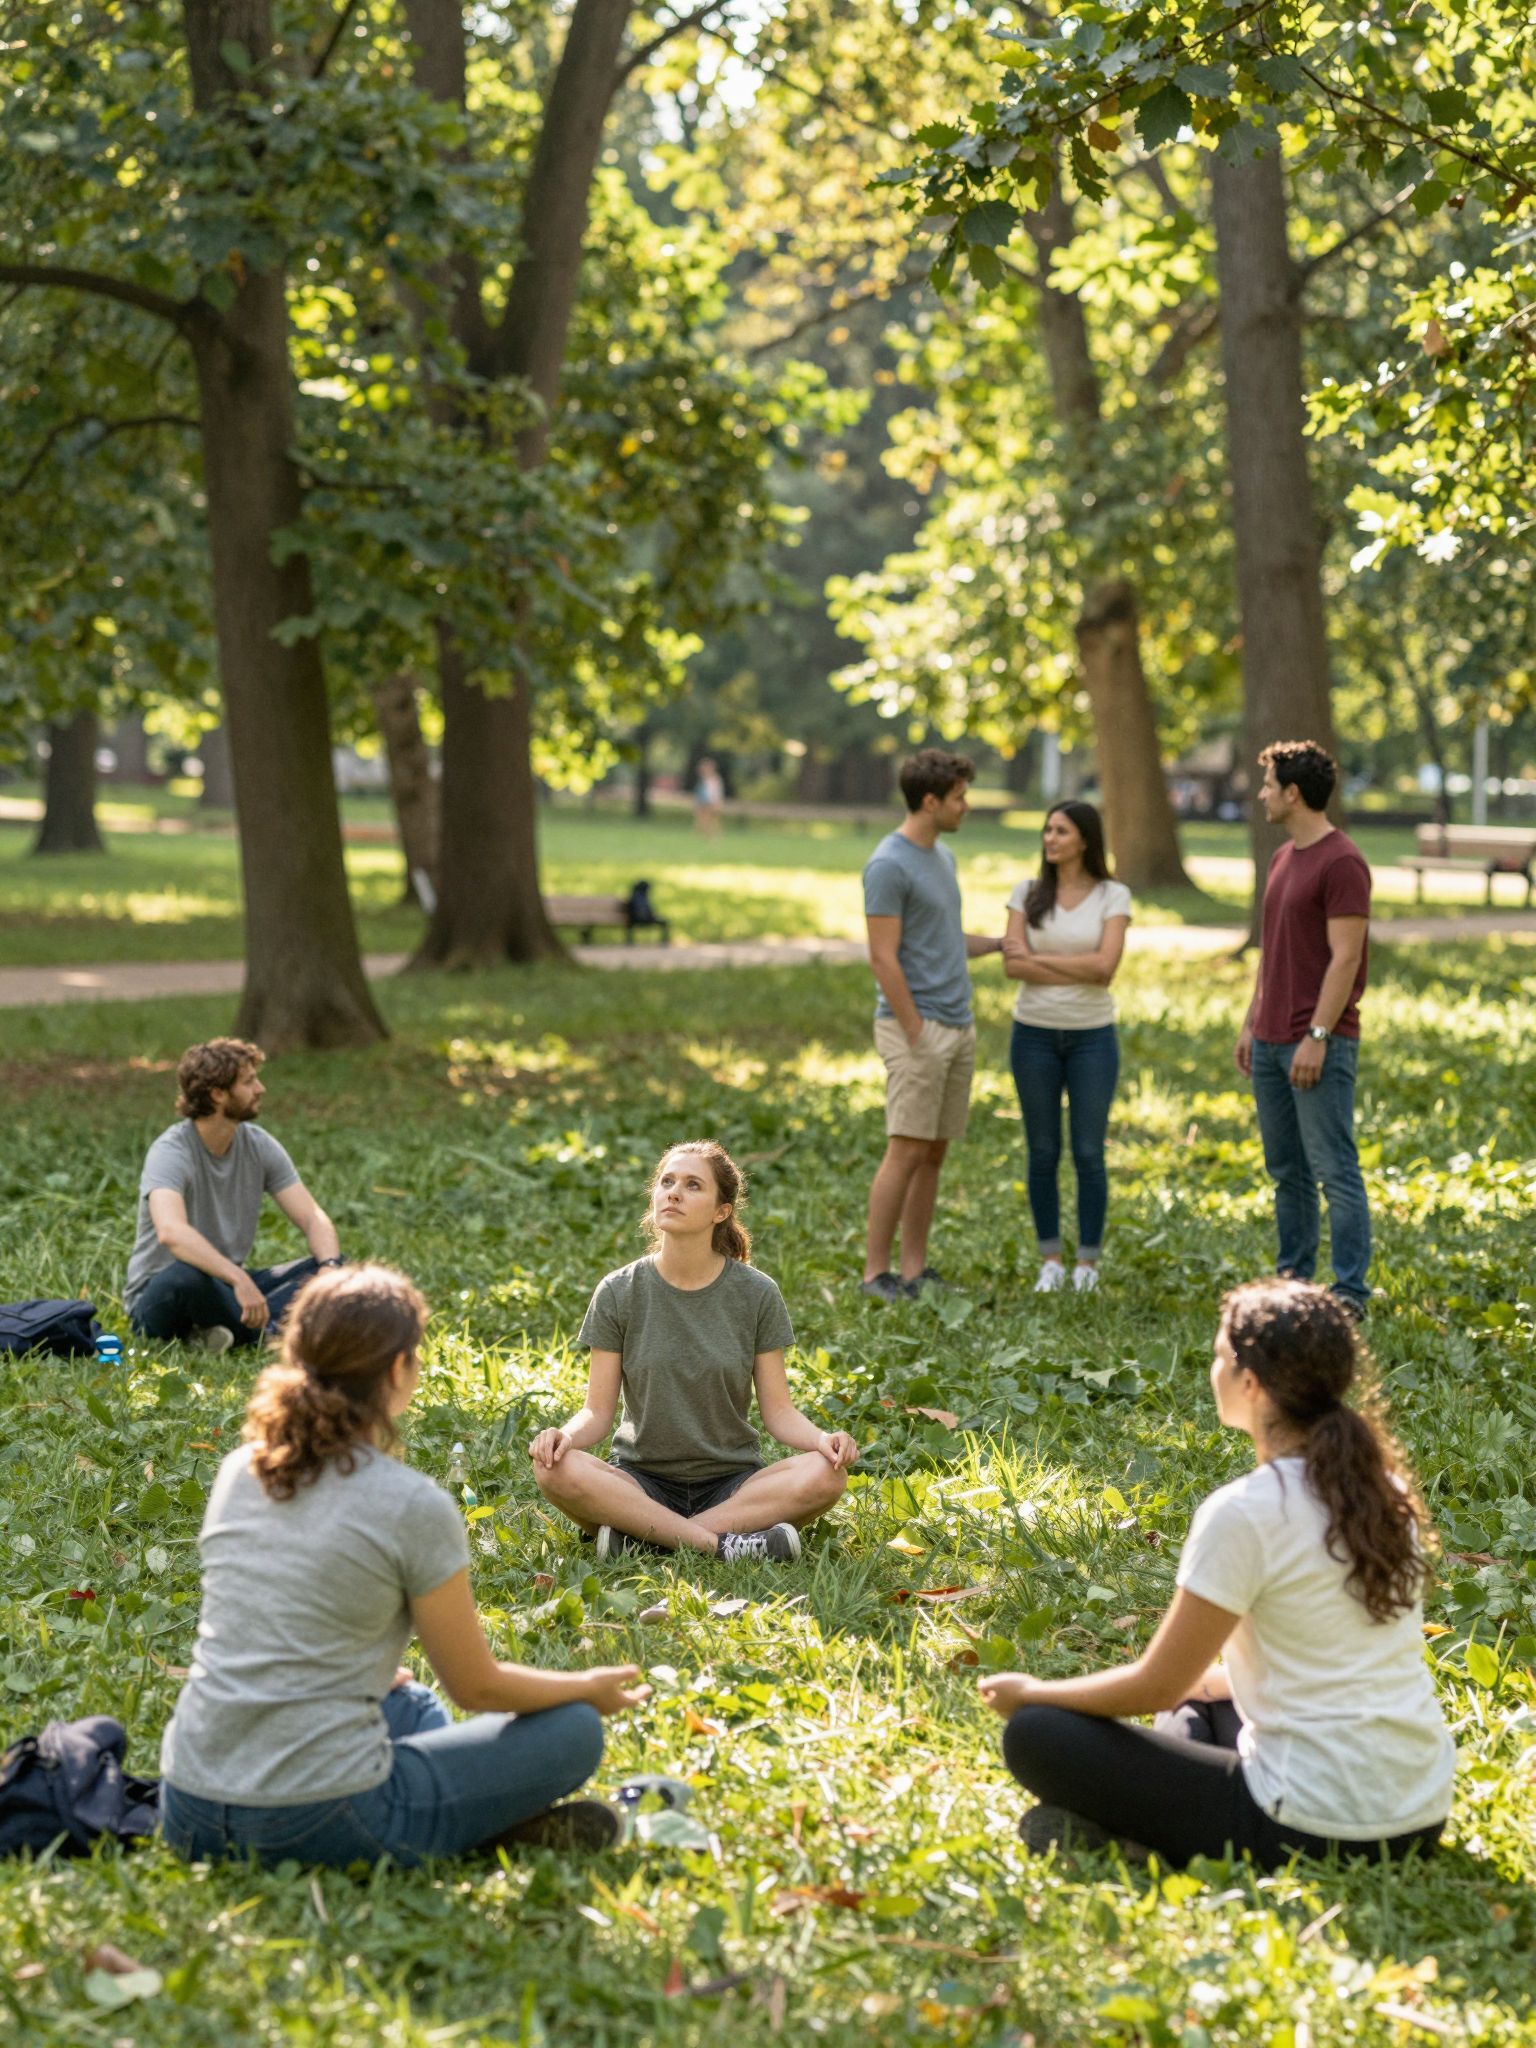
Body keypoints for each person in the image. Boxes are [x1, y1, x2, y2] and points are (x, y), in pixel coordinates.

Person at [160, 1265, 648, 1868]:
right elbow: (477, 1686)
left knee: (411, 1707)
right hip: (316, 1817)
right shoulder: (412, 1505)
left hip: (186, 1806)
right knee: (573, 1728)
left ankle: (460, 1822)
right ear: (398, 1370)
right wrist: (586, 1688)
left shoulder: (241, 1469)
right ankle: (461, 1832)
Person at [982, 1279, 1453, 1869]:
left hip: (1313, 1825)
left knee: (1037, 1733)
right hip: (1418, 1813)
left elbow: (1156, 1684)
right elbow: (1331, 1659)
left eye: (1217, 1357)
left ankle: (1134, 1839)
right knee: (1199, 1702)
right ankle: (1135, 1828)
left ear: (1250, 1382)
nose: (1211, 1370)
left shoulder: (1245, 1511)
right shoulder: (1385, 1490)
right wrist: (1209, 1685)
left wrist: (1031, 1693)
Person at [531, 1141, 857, 1561]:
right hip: (640, 1482)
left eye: (692, 1185)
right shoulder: (619, 1291)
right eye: (666, 1182)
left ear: (721, 1211)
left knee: (826, 1476)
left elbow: (779, 1413)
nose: (673, 1193)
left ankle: (645, 1539)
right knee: (555, 1469)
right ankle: (723, 1546)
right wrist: (563, 1436)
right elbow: (597, 1412)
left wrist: (823, 1439)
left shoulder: (757, 1294)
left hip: (732, 1486)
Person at [1235, 741, 1373, 1315]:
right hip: (1269, 1039)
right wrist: (1251, 1022)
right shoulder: (1283, 856)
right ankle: (1294, 1282)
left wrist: (1317, 1036)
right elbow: (1275, 952)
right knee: (1286, 1171)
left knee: (1333, 1168)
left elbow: (1345, 958)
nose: (1262, 794)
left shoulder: (1342, 862)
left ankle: (1348, 1293)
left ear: (1293, 793)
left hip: (1317, 1040)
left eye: (1268, 785)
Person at [861, 749, 1003, 1301]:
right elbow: (883, 957)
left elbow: (944, 939)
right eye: (960, 797)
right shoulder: (888, 865)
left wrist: (996, 944)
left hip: (957, 1025)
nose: (966, 806)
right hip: (916, 1030)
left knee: (933, 1152)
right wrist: (915, 1030)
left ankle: (915, 1269)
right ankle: (876, 1273)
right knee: (905, 1149)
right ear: (930, 801)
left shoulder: (942, 858)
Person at [125, 1038, 342, 1353]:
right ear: (217, 1094)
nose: (261, 1089)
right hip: (163, 1297)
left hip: (223, 1286)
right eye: (249, 1081)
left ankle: (220, 1334)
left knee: (338, 1269)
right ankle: (272, 1336)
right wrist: (239, 1279)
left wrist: (330, 1271)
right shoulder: (170, 1152)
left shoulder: (259, 1144)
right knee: (187, 1278)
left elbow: (312, 1217)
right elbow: (171, 1232)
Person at [1003, 802, 1132, 1294]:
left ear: (1085, 839)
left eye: (1062, 830)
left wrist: (1043, 959)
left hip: (1092, 1037)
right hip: (1032, 1034)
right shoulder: (1027, 893)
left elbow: (1106, 969)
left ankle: (1087, 1265)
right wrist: (1075, 962)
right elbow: (1014, 966)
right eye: (1047, 830)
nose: (1050, 838)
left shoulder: (1112, 895)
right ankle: (1051, 1259)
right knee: (1042, 1151)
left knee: (1087, 1151)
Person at [693, 756, 725, 835]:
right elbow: (699, 792)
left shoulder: (715, 779)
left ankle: (713, 834)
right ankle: (703, 833)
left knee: (711, 819)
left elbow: (717, 792)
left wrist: (717, 802)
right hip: (702, 801)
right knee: (701, 818)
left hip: (710, 801)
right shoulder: (703, 779)